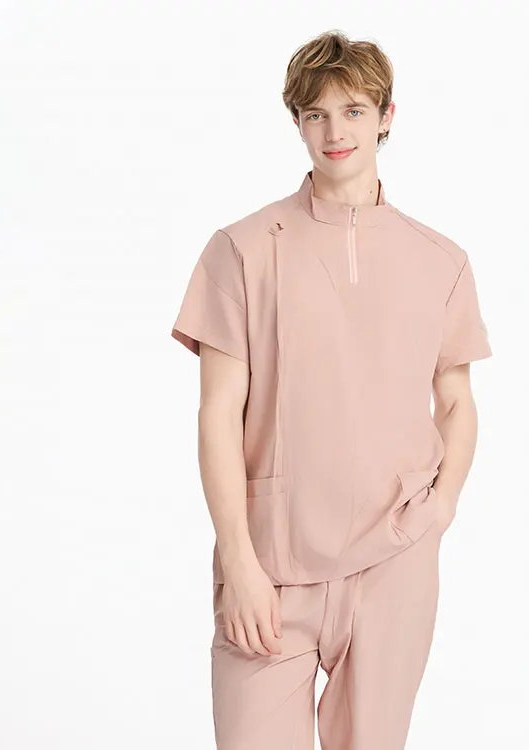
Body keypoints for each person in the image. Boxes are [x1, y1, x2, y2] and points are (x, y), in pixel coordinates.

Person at [171, 29, 493, 750]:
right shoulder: (242, 249)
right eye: (315, 115)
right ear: (297, 123)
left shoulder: (440, 260)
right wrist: (239, 562)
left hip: (394, 557)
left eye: (352, 111)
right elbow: (217, 414)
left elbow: (455, 401)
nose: (334, 132)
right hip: (272, 563)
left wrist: (442, 507)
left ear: (386, 116)